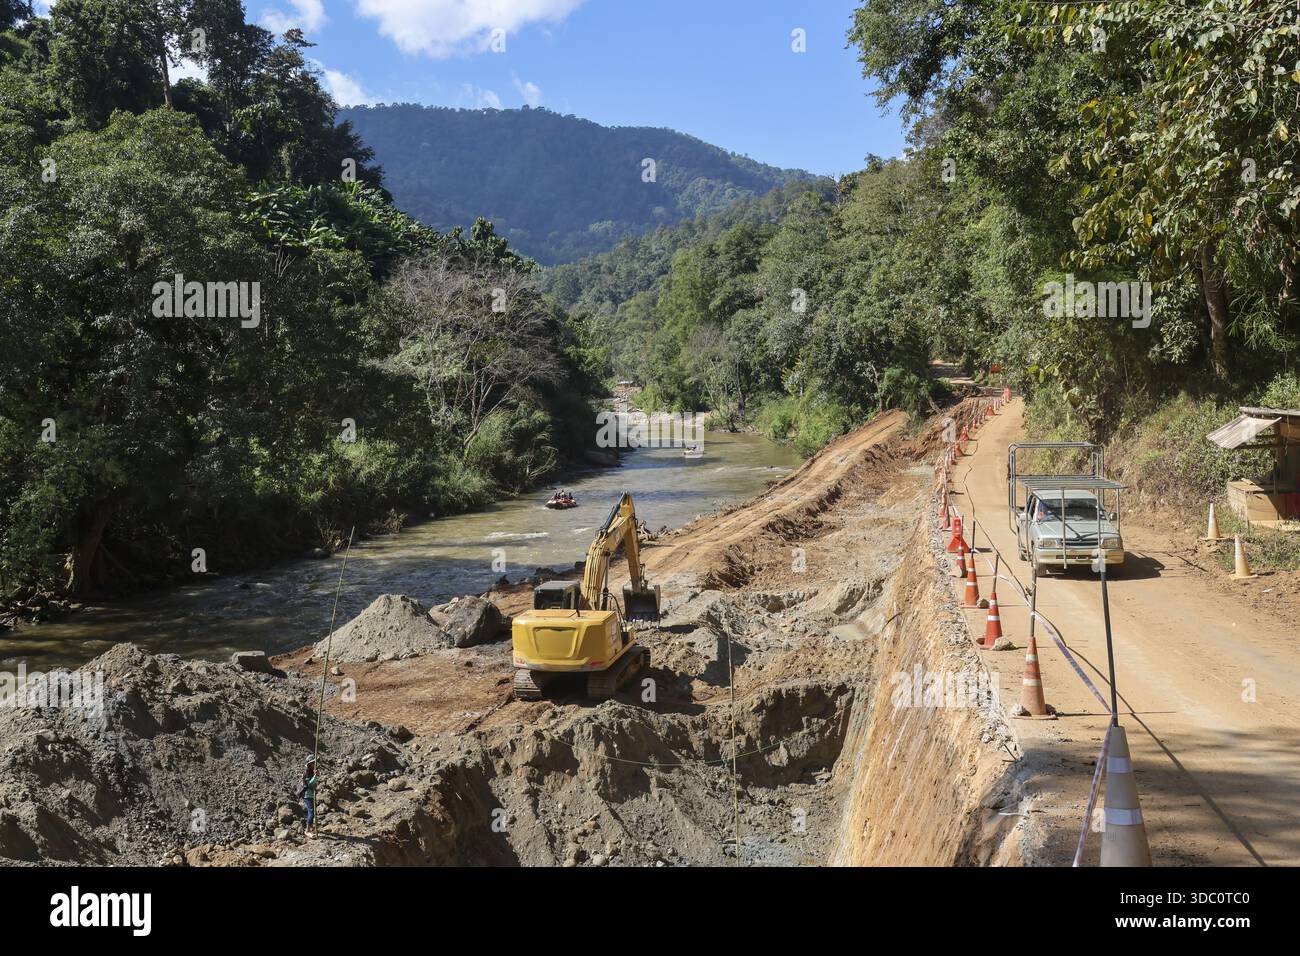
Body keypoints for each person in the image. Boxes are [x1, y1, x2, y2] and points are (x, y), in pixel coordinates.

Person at [300, 758, 318, 837]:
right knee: (311, 813)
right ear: (310, 764)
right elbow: (309, 784)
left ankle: (310, 827)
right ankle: (307, 830)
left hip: (310, 794)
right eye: (313, 762)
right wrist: (315, 776)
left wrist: (315, 775)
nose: (315, 764)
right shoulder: (307, 772)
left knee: (311, 812)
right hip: (307, 795)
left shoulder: (311, 771)